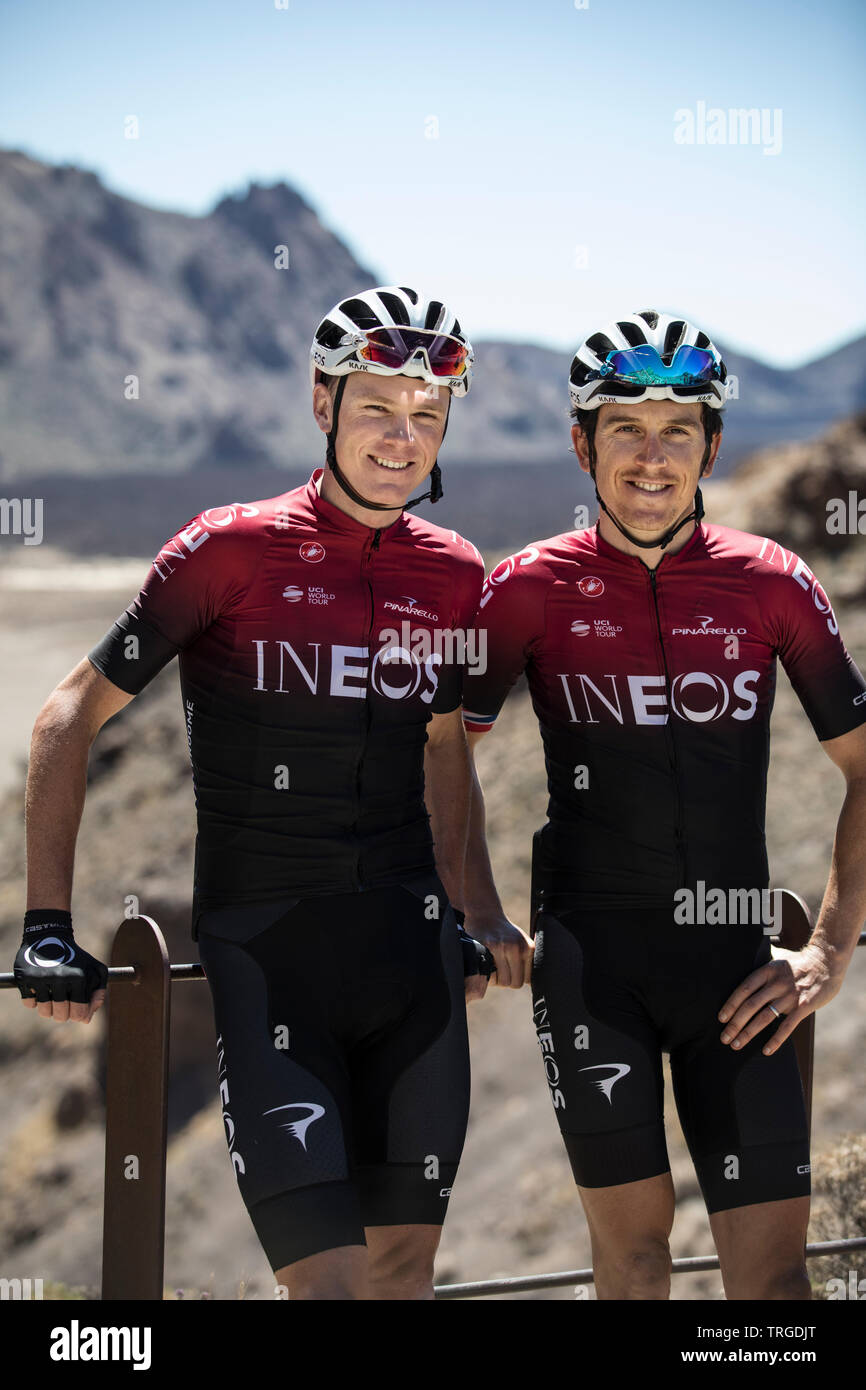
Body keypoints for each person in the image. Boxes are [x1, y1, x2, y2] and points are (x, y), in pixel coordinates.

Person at [15, 285, 494, 1301]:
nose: (401, 438)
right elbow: (66, 716)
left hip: (410, 970)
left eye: (425, 416)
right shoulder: (224, 551)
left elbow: (446, 748)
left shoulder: (453, 573)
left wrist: (473, 909)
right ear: (321, 404)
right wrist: (47, 923)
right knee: (321, 1287)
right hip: (271, 965)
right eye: (376, 407)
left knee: (402, 1278)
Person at [459, 309, 866, 1300]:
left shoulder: (771, 583)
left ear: (711, 444)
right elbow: (439, 748)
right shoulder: (524, 590)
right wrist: (472, 907)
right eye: (624, 429)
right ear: (579, 442)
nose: (651, 456)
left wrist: (825, 950)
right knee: (632, 1267)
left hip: (735, 968)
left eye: (676, 429)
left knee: (770, 1283)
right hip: (591, 968)